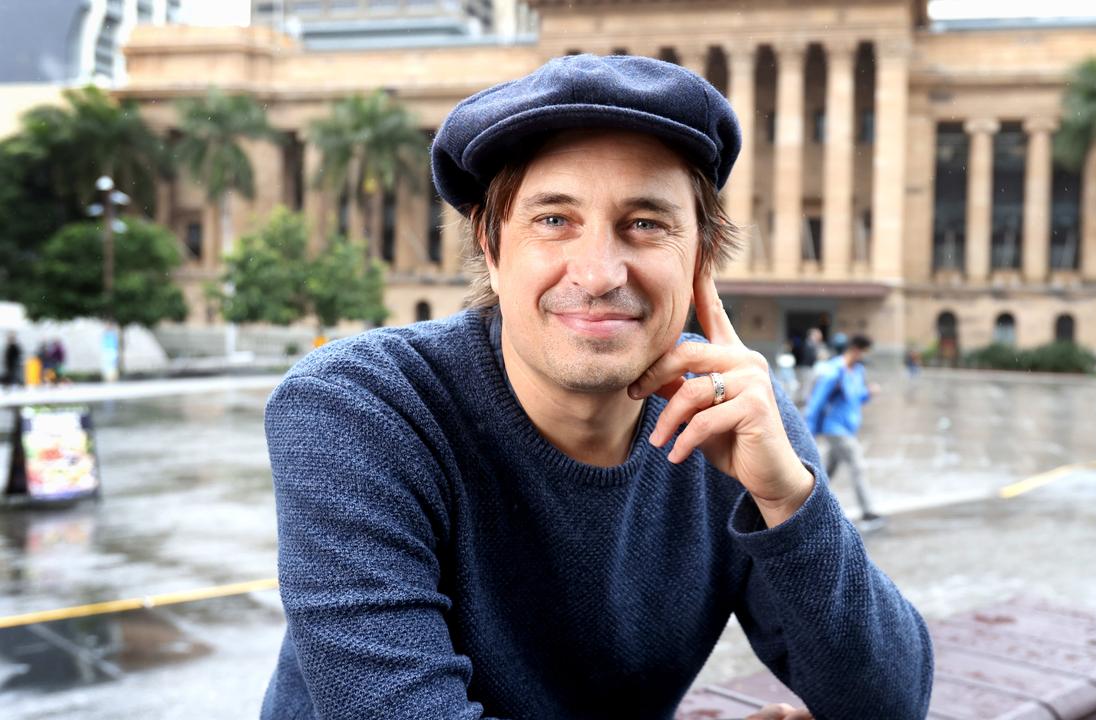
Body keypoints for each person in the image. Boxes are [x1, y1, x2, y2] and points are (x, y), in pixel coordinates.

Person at [261, 54, 932, 720]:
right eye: (554, 220)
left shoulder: (729, 415)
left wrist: (789, 500)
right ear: (491, 249)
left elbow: (889, 704)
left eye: (644, 224)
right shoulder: (358, 408)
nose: (600, 272)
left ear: (701, 255)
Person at [804, 334, 881, 525]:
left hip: (848, 427)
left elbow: (855, 398)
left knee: (826, 471)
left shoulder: (858, 371)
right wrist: (809, 431)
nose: (864, 356)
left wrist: (868, 393)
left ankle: (808, 504)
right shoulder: (834, 371)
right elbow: (817, 402)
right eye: (863, 352)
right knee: (858, 464)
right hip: (835, 428)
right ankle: (868, 510)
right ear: (855, 349)